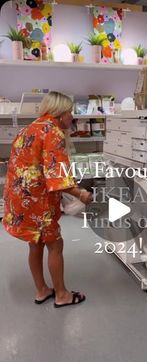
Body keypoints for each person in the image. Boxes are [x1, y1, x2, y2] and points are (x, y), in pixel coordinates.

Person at [2, 91, 92, 308]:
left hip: (20, 198)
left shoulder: (29, 129)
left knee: (35, 244)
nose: (72, 116)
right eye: (70, 111)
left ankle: (42, 290)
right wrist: (80, 193)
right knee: (55, 245)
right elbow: (57, 174)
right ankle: (62, 295)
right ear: (60, 113)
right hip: (39, 201)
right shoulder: (53, 132)